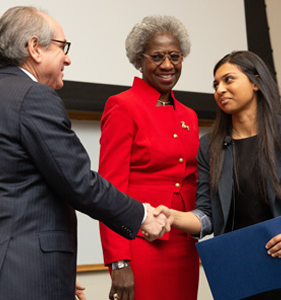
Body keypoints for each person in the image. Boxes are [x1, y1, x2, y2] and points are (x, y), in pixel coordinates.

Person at [0, 6, 170, 300]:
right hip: (21, 275)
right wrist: (142, 215)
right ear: (35, 48)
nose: (68, 58)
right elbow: (78, 182)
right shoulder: (33, 95)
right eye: (63, 47)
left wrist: (46, 268)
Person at [157, 50, 281, 299]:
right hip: (242, 270)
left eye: (228, 79)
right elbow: (207, 215)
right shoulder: (209, 146)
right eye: (215, 85)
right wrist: (173, 217)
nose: (220, 90)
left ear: (256, 82)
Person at [98, 15, 200, 300]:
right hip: (141, 242)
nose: (167, 65)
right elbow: (109, 190)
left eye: (175, 56)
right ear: (139, 60)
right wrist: (118, 261)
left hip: (185, 243)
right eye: (157, 57)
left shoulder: (189, 115)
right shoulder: (122, 106)